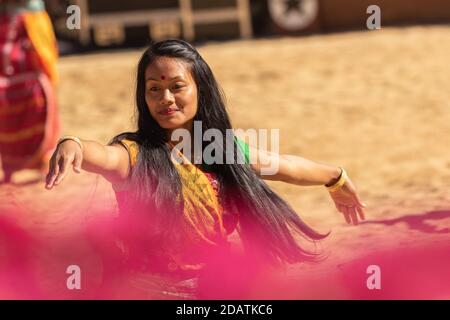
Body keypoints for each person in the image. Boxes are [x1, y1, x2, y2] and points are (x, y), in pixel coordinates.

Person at [45, 39, 366, 299]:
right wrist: (72, 144)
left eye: (176, 86)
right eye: (154, 89)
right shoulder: (135, 155)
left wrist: (335, 178)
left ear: (201, 89)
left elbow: (286, 166)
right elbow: (101, 154)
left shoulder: (223, 151)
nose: (165, 98)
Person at [0, 0, 60, 184]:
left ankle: (44, 160)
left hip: (32, 26)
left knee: (39, 95)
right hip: (7, 28)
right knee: (5, 96)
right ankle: (9, 166)